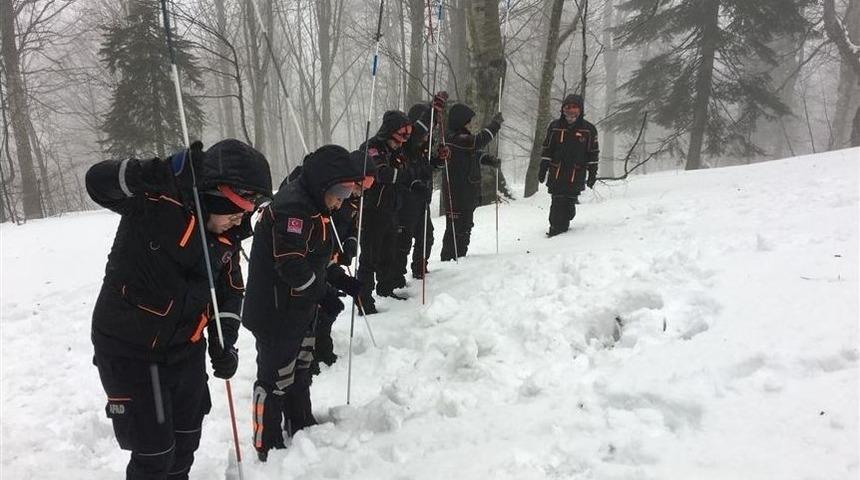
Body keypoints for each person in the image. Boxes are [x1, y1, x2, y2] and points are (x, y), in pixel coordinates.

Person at [86, 139, 272, 480]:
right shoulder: (157, 202)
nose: (240, 219)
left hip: (185, 347)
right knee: (155, 452)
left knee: (186, 441)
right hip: (131, 349)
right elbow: (97, 182)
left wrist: (224, 340)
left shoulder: (228, 238)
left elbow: (230, 292)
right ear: (216, 193)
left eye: (247, 212)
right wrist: (158, 171)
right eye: (236, 209)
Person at [242, 144, 364, 461]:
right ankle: (266, 441)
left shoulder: (320, 209)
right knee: (275, 377)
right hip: (275, 310)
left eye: (348, 192)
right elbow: (292, 265)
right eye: (339, 191)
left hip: (300, 306)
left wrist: (339, 280)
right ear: (322, 183)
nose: (342, 200)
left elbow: (317, 260)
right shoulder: (292, 209)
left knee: (300, 368)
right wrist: (321, 291)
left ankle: (300, 424)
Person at [354, 110, 413, 311]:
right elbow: (382, 173)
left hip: (391, 209)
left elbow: (404, 170)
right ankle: (363, 299)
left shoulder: (397, 151)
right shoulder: (371, 148)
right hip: (372, 211)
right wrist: (405, 176)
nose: (402, 142)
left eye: (407, 135)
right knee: (369, 257)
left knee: (388, 253)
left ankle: (386, 289)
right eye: (400, 135)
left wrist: (411, 179)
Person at [394, 95, 450, 282]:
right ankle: (395, 279)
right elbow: (418, 131)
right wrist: (432, 112)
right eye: (426, 131)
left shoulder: (422, 149)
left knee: (427, 236)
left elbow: (428, 168)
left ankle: (420, 267)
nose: (427, 136)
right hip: (406, 202)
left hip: (421, 201)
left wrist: (439, 161)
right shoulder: (406, 145)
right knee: (403, 242)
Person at [439, 104, 503, 261]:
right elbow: (477, 142)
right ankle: (449, 260)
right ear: (460, 122)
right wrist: (495, 125)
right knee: (455, 230)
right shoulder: (453, 138)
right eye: (468, 121)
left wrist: (488, 159)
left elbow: (473, 153)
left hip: (468, 193)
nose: (471, 124)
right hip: (456, 194)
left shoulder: (463, 139)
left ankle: (460, 257)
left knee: (466, 227)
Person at [538, 94, 599, 237]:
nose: (571, 111)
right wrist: (543, 168)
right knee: (557, 200)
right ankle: (555, 229)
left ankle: (565, 219)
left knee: (568, 203)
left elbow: (593, 154)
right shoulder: (555, 127)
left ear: (580, 109)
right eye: (568, 107)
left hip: (575, 173)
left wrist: (592, 174)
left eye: (574, 107)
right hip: (557, 172)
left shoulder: (589, 129)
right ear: (563, 109)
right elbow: (547, 149)